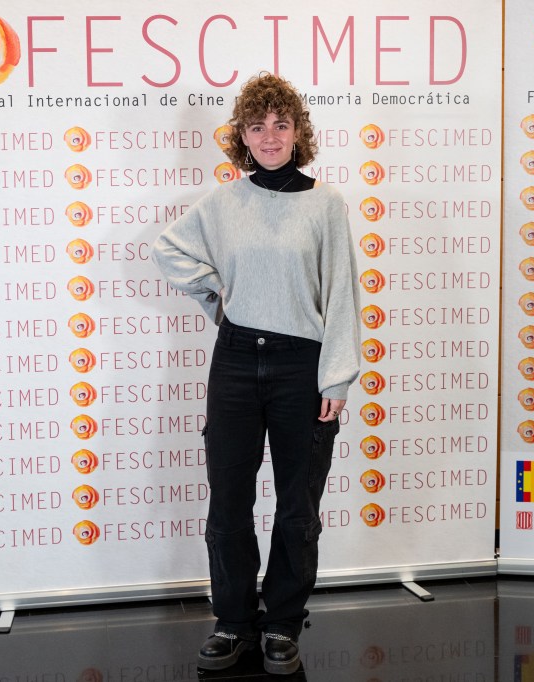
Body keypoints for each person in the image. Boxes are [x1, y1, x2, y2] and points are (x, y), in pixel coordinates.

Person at [152, 73, 361, 676]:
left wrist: (336, 378)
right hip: (237, 360)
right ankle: (233, 622)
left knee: (298, 505)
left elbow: (342, 294)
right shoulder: (223, 203)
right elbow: (168, 249)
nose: (270, 136)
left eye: (281, 124)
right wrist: (216, 295)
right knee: (228, 501)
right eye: (257, 126)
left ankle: (282, 624)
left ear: (298, 133)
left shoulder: (326, 205)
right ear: (242, 136)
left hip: (302, 363)